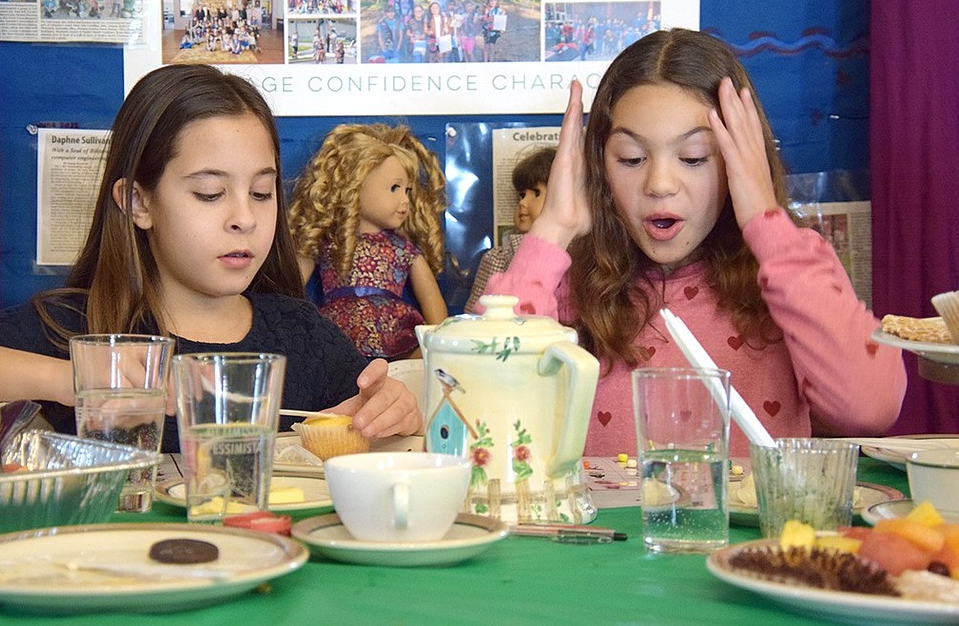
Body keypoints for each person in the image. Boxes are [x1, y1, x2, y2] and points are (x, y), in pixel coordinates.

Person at [0, 66, 422, 451]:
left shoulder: (302, 337)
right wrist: (71, 377)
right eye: (209, 193)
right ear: (138, 202)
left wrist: (389, 414)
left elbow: (368, 435)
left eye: (262, 191)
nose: (243, 217)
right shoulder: (78, 328)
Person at [478, 28, 906, 457]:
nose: (660, 184)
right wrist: (553, 227)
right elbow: (485, 406)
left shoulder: (786, 277)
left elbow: (870, 408)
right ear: (599, 167)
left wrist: (766, 220)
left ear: (741, 161)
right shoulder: (565, 285)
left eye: (694, 158)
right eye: (631, 158)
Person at [288, 124, 449, 360]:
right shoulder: (330, 242)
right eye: (394, 188)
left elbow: (430, 299)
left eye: (408, 190)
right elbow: (291, 286)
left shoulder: (404, 250)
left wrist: (440, 341)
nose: (405, 200)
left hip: (396, 336)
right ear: (355, 184)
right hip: (337, 336)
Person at [464, 146, 555, 313]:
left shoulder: (583, 257)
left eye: (536, 193)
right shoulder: (499, 258)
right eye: (521, 195)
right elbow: (476, 315)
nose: (522, 202)